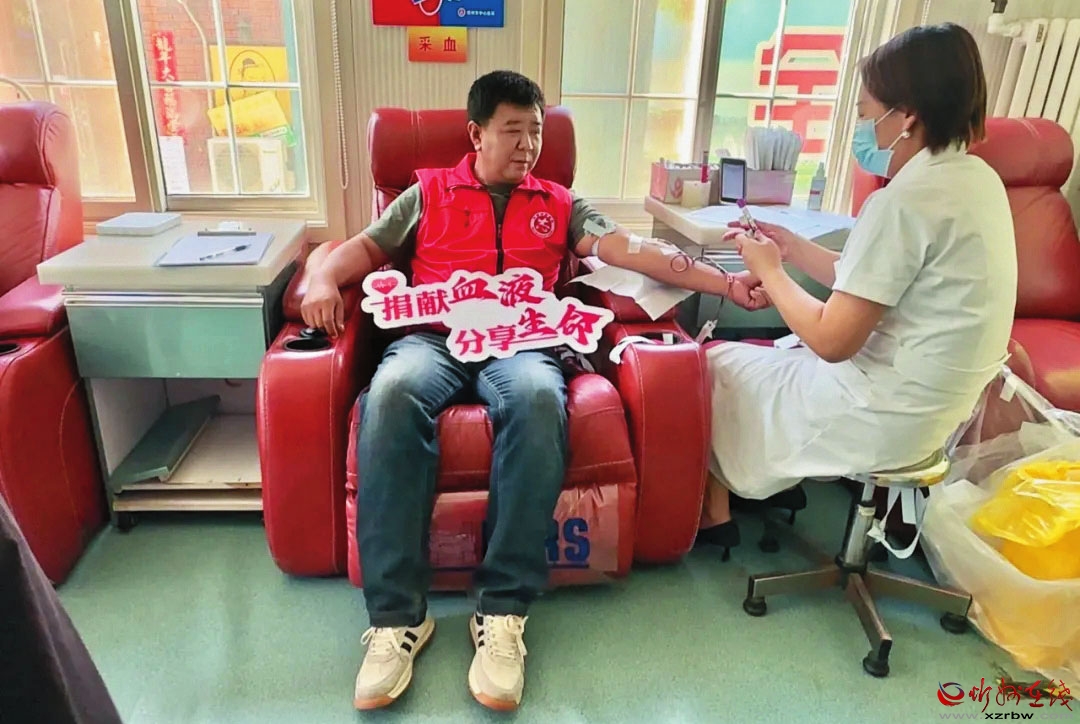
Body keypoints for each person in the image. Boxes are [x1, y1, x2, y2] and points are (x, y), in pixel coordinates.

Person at [300, 70, 765, 711]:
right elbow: (358, 249)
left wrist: (726, 283)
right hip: (433, 339)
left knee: (539, 400)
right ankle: (396, 617)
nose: (528, 146)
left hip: (522, 342)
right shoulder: (426, 193)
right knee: (391, 394)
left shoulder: (560, 202)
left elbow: (630, 250)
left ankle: (502, 610)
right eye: (513, 131)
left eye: (537, 132)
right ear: (476, 134)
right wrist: (321, 280)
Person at [696, 23, 1018, 555]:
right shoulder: (975, 181)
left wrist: (771, 271)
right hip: (939, 411)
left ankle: (717, 511)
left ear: (906, 116)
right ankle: (759, 488)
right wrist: (792, 248)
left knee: (714, 363)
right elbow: (871, 279)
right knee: (776, 354)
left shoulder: (903, 203)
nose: (864, 129)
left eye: (867, 113)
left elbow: (832, 340)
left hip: (885, 414)